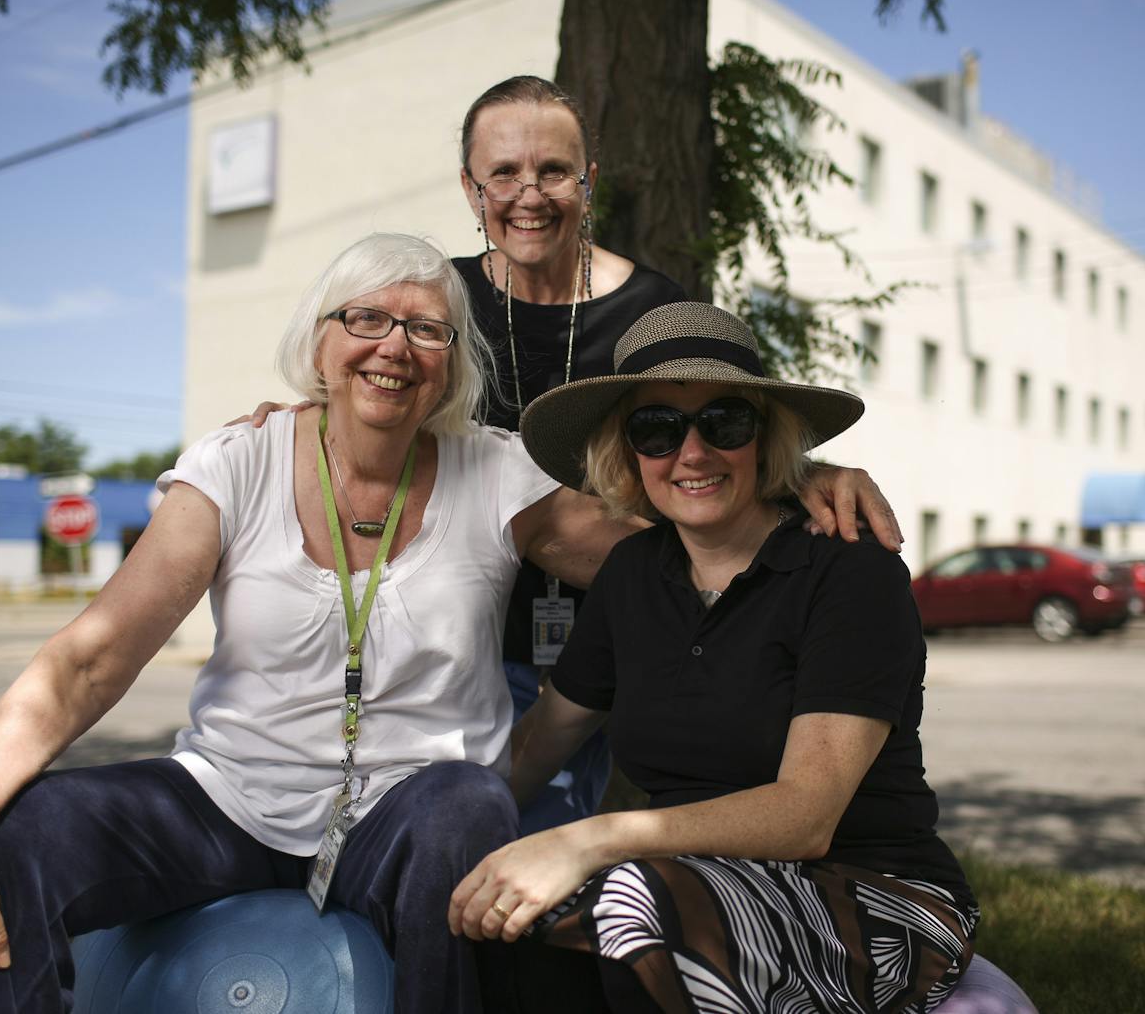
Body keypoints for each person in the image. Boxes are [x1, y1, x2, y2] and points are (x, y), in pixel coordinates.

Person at [0, 233, 641, 1014]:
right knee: (24, 828)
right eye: (367, 318)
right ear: (321, 342)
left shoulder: (497, 471)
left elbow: (655, 562)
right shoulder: (238, 461)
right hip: (232, 802)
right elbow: (89, 659)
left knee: (468, 804)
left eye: (427, 329)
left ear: (452, 361)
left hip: (407, 813)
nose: (396, 346)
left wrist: (728, 474)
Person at [249, 74, 903, 833]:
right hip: (434, 644)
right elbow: (369, 400)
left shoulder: (654, 308)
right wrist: (300, 417)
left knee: (521, 848)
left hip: (584, 652)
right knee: (401, 849)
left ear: (588, 182)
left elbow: (721, 426)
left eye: (553, 171)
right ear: (471, 189)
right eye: (503, 173)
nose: (530, 193)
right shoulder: (440, 305)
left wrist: (810, 472)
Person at [449, 302, 978, 1013]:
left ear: (764, 436)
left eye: (724, 421)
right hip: (691, 881)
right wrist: (443, 838)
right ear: (627, 452)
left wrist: (594, 838)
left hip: (876, 896)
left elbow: (804, 815)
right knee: (507, 905)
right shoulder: (634, 571)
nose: (692, 453)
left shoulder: (848, 571)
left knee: (630, 897)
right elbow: (543, 739)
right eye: (657, 428)